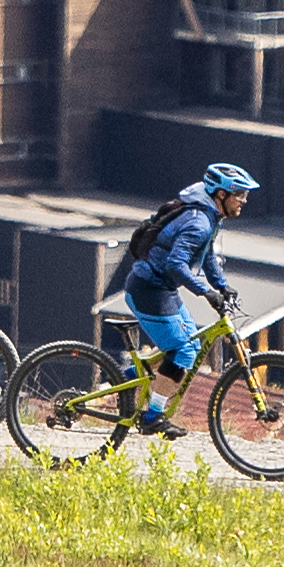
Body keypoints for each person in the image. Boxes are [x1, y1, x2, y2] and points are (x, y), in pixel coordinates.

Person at [117, 162, 254, 437]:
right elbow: (175, 266)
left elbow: (207, 257)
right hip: (148, 290)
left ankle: (125, 377)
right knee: (186, 351)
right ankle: (153, 417)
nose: (244, 201)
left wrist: (222, 286)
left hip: (161, 290)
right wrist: (206, 292)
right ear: (221, 195)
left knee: (188, 340)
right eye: (239, 194)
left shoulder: (209, 218)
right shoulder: (199, 222)